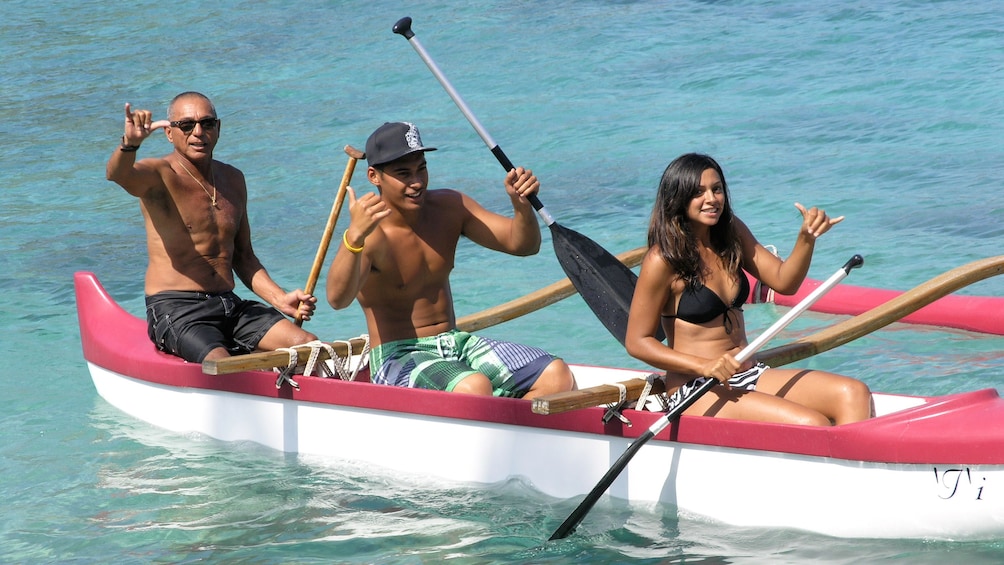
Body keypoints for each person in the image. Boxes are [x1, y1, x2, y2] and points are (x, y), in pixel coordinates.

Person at [325, 121, 575, 399]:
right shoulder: (370, 234)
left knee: (557, 375)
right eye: (403, 174)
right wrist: (354, 237)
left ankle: (508, 435)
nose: (417, 182)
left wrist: (521, 206)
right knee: (473, 386)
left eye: (422, 168)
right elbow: (337, 299)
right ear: (374, 176)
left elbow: (523, 245)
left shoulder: (450, 207)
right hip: (397, 357)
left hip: (457, 343)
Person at [625, 153, 872, 425]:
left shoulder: (730, 232)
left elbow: (784, 282)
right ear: (677, 199)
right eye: (698, 192)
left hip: (748, 373)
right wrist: (705, 366)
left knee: (854, 393)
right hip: (695, 387)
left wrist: (806, 239)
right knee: (810, 423)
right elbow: (638, 342)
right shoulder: (662, 260)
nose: (712, 199)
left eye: (716, 189)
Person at [105, 91, 317, 363]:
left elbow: (243, 257)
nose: (198, 132)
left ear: (218, 128)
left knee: (308, 346)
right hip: (178, 309)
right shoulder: (159, 175)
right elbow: (118, 175)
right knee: (222, 363)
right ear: (170, 133)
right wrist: (129, 145)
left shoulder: (232, 179)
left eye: (207, 123)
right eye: (186, 125)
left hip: (228, 303)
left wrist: (280, 299)